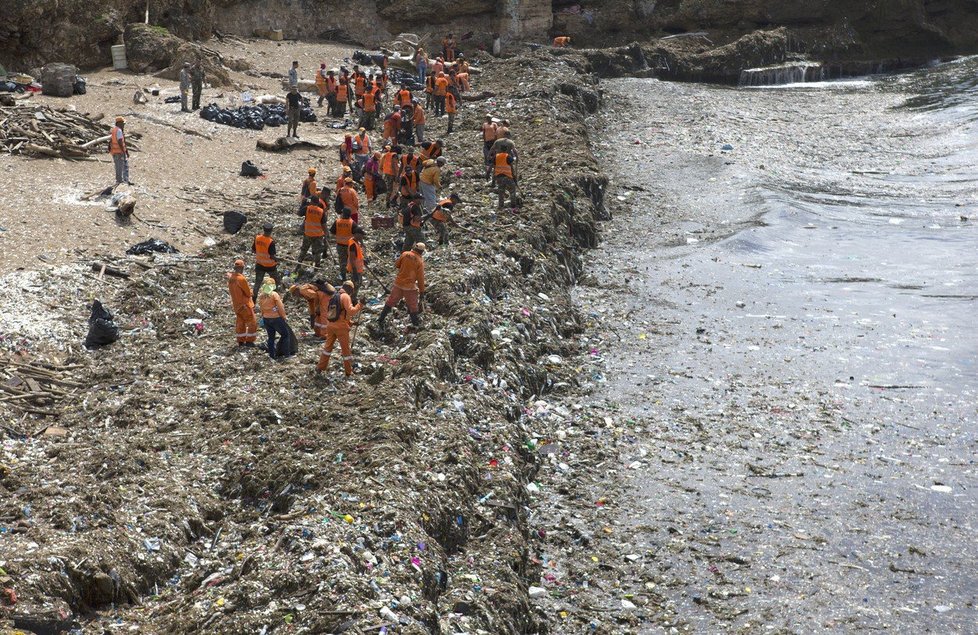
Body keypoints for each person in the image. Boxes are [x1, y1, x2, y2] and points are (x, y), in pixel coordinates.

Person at [316, 280, 363, 378]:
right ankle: (348, 372)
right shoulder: (345, 296)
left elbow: (338, 314)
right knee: (346, 351)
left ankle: (320, 367)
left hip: (331, 325)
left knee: (327, 348)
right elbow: (351, 311)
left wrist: (351, 323)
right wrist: (360, 305)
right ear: (350, 288)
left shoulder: (335, 295)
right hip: (341, 328)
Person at [378, 243, 426, 328]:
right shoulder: (420, 261)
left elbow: (397, 265)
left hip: (398, 284)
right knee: (413, 306)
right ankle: (416, 325)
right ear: (422, 251)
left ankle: (380, 319)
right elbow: (420, 278)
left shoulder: (405, 254)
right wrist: (422, 292)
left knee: (390, 301)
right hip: (410, 287)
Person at [258, 277, 291, 359]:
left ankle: (272, 355)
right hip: (276, 318)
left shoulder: (261, 296)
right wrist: (284, 316)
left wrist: (263, 316)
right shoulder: (274, 294)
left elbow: (261, 308)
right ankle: (286, 354)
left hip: (266, 319)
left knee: (271, 338)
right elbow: (280, 307)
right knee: (285, 335)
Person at [228, 259, 257, 346]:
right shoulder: (241, 279)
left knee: (240, 323)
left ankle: (241, 341)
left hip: (236, 305)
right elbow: (248, 293)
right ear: (242, 268)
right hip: (245, 305)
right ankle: (250, 341)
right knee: (252, 322)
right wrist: (251, 292)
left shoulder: (231, 278)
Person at [252, 222, 283, 302]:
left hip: (259, 265)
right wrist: (279, 259)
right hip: (270, 267)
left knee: (257, 283)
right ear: (271, 231)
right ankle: (275, 299)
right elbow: (272, 256)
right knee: (276, 281)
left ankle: (253, 299)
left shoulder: (257, 238)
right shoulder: (270, 242)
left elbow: (253, 250)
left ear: (264, 230)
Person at [296, 193, 327, 274]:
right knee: (317, 252)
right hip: (318, 235)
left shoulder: (307, 208)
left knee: (304, 250)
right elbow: (324, 225)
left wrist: (303, 203)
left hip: (308, 234)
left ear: (312, 201)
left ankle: (298, 264)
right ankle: (317, 267)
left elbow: (298, 213)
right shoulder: (321, 211)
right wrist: (327, 234)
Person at [329, 208, 361, 279]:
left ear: (343, 214)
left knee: (342, 261)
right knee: (351, 260)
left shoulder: (337, 222)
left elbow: (332, 232)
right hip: (350, 246)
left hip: (340, 245)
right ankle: (353, 275)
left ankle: (343, 276)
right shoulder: (352, 223)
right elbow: (357, 234)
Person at [347, 227, 367, 302]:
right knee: (355, 285)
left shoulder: (355, 242)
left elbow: (358, 255)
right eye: (361, 235)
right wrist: (354, 272)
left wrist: (363, 260)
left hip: (358, 268)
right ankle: (351, 300)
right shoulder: (353, 244)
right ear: (357, 234)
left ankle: (353, 298)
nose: (362, 237)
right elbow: (352, 259)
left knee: (358, 284)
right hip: (355, 269)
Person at [108, 116, 129, 185]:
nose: (124, 125)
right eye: (123, 123)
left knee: (118, 166)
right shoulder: (119, 130)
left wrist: (109, 149)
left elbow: (111, 140)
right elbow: (120, 141)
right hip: (119, 152)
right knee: (120, 166)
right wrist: (123, 151)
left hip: (115, 151)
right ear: (119, 123)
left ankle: (122, 180)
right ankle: (120, 181)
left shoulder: (114, 130)